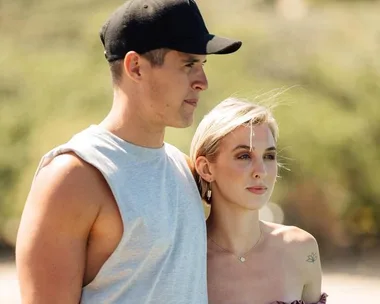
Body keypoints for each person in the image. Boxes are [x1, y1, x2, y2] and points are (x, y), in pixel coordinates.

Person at [15, 0, 242, 303]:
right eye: (189, 64)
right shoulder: (74, 175)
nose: (203, 82)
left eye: (203, 65)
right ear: (135, 67)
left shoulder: (185, 168)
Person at [190, 97, 327, 304]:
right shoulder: (186, 259)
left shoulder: (301, 249)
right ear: (206, 168)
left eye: (269, 156)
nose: (261, 171)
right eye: (244, 156)